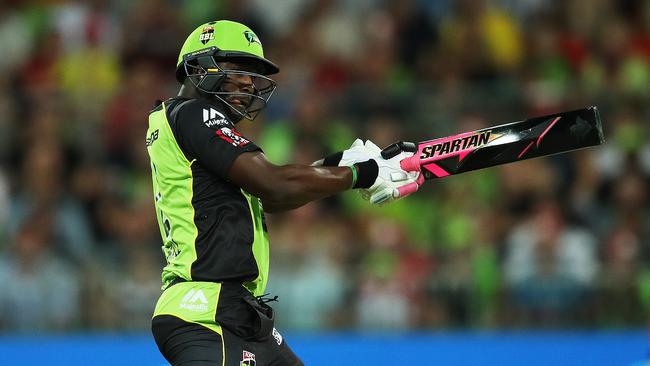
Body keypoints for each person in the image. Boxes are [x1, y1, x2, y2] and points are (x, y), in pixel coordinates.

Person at [146, 20, 422, 366]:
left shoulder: (181, 124)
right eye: (239, 68)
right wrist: (360, 173)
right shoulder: (193, 112)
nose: (248, 82)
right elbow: (274, 184)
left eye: (253, 73)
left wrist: (332, 165)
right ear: (200, 66)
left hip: (237, 313)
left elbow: (273, 198)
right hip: (205, 312)